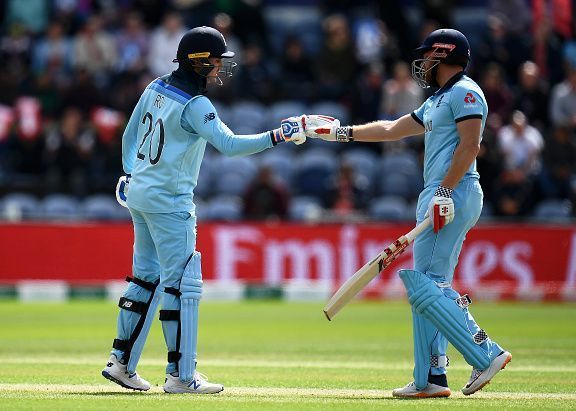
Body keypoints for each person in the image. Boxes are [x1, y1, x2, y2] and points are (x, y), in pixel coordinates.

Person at [304, 29, 511, 398]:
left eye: (429, 56)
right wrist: (339, 134)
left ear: (444, 55)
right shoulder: (438, 100)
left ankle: (485, 352)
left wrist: (445, 189)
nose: (424, 64)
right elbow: (391, 129)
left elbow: (471, 144)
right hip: (441, 192)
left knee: (424, 285)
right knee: (429, 287)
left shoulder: (466, 91)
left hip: (453, 191)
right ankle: (430, 377)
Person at [101, 26, 307, 394]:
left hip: (140, 195)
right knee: (182, 285)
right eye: (216, 62)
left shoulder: (154, 87)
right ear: (198, 61)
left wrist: (134, 174)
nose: (219, 69)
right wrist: (280, 134)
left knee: (145, 278)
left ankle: (121, 363)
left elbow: (128, 137)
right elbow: (229, 145)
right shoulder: (196, 104)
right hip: (170, 202)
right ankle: (181, 376)